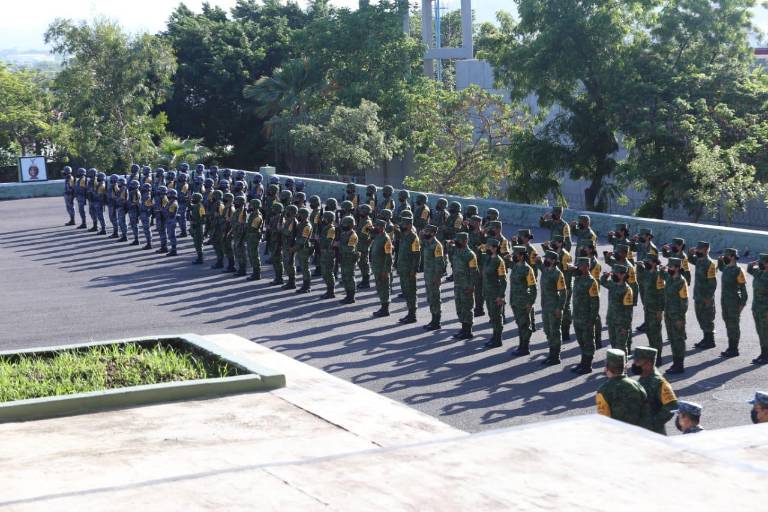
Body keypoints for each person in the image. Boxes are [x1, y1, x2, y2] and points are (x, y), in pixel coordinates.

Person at [595, 348, 648, 427]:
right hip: (637, 431)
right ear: (625, 367)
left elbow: (604, 419)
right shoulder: (637, 385)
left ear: (606, 368)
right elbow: (646, 411)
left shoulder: (603, 390)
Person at [631, 346, 677, 435]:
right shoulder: (644, 377)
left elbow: (672, 406)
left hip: (654, 433)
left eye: (637, 361)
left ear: (648, 363)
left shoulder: (659, 382)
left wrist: (652, 423)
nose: (634, 364)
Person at [569, 257, 600, 373]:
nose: (578, 267)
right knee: (581, 340)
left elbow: (595, 303)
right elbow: (570, 272)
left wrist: (592, 319)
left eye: (580, 266)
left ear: (586, 267)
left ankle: (587, 365)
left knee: (588, 342)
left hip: (587, 317)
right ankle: (583, 362)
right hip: (577, 316)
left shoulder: (591, 282)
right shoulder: (578, 278)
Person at [718, 248, 748, 358]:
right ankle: (730, 347)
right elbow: (721, 268)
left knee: (734, 325)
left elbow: (743, 289)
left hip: (734, 303)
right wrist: (720, 261)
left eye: (726, 256)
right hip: (725, 302)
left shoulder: (738, 270)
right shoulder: (726, 268)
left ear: (732, 257)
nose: (724, 257)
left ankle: (734, 349)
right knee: (728, 324)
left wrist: (742, 304)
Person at [688, 241, 719, 349]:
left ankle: (710, 341)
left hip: (706, 297)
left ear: (706, 250)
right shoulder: (699, 260)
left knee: (707, 318)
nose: (697, 250)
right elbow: (690, 259)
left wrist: (708, 298)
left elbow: (713, 283)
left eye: (699, 249)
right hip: (698, 295)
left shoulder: (710, 264)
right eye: (697, 249)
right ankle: (706, 338)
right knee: (700, 317)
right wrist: (690, 253)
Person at [635, 254, 666, 363]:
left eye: (648, 261)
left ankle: (658, 357)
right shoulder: (647, 273)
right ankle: (653, 353)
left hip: (655, 309)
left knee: (656, 333)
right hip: (648, 307)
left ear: (654, 262)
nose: (646, 263)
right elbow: (640, 280)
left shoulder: (658, 275)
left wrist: (660, 311)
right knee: (649, 331)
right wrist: (639, 267)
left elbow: (662, 294)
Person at [509, 246, 538, 357]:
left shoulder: (527, 269)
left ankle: (525, 347)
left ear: (521, 256)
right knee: (520, 324)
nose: (514, 256)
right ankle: (521, 346)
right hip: (515, 300)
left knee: (525, 325)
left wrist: (530, 302)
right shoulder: (515, 266)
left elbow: (533, 288)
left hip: (523, 302)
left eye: (515, 255)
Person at [539, 250, 567, 365]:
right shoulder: (545, 270)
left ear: (554, 260)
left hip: (554, 306)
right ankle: (551, 354)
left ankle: (555, 356)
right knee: (547, 330)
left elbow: (563, 292)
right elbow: (538, 264)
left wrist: (559, 308)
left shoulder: (557, 274)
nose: (545, 260)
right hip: (545, 306)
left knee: (554, 331)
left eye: (547, 258)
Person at [661, 258, 689, 374]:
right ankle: (675, 362)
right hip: (668, 314)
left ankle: (679, 365)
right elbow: (662, 274)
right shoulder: (669, 278)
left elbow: (684, 301)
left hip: (677, 316)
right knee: (672, 339)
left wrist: (680, 318)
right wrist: (661, 269)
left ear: (677, 268)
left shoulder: (681, 281)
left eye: (671, 267)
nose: (669, 269)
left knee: (678, 340)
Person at [451, 232, 480, 339]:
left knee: (467, 307)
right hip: (458, 284)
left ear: (465, 241)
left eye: (458, 240)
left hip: (466, 285)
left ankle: (468, 331)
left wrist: (472, 286)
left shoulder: (470, 255)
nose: (456, 242)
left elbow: (474, 272)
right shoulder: (457, 251)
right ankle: (464, 328)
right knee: (459, 307)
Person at [600, 264, 634, 353]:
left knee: (621, 348)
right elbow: (602, 282)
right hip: (611, 320)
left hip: (621, 323)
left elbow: (629, 311)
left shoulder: (627, 290)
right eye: (613, 273)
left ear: (623, 275)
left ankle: (623, 362)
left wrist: (625, 327)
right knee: (613, 345)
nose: (613, 274)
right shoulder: (612, 284)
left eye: (615, 273)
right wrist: (605, 275)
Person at [482, 238, 507, 349]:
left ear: (495, 248)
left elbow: (503, 280)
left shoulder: (499, 261)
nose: (487, 248)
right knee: (492, 315)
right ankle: (494, 336)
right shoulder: (488, 258)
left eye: (489, 246)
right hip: (488, 292)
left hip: (495, 293)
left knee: (497, 316)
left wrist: (501, 296)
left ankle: (498, 339)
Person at [396, 211, 420, 324]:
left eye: (404, 224)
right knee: (406, 291)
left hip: (409, 269)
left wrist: (414, 270)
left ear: (410, 225)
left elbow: (416, 256)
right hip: (403, 268)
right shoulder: (404, 235)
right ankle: (410, 313)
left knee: (411, 291)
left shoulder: (414, 238)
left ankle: (412, 314)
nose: (402, 226)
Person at [422, 224, 446, 330]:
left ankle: (436, 322)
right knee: (430, 298)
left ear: (433, 233)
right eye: (425, 231)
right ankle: (433, 319)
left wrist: (438, 277)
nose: (425, 233)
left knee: (435, 298)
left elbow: (440, 263)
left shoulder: (437, 245)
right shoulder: (427, 243)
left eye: (427, 232)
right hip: (428, 275)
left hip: (434, 276)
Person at [747, 254, 768, 364]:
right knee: (760, 332)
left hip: (765, 310)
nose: (760, 263)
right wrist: (753, 263)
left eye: (762, 262)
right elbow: (749, 269)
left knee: (765, 332)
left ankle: (766, 356)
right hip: (756, 308)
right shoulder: (759, 273)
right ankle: (763, 353)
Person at [371, 219, 394, 318]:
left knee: (384, 288)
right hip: (377, 267)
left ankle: (385, 309)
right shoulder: (378, 236)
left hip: (382, 268)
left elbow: (389, 257)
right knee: (380, 288)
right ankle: (383, 307)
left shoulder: (386, 239)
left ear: (382, 227)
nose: (375, 227)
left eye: (377, 226)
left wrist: (386, 271)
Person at [337, 215, 359, 304]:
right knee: (344, 277)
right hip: (344, 258)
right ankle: (348, 294)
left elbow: (350, 248)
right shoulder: (343, 234)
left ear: (350, 225)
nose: (344, 226)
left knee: (349, 277)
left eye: (345, 225)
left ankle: (351, 296)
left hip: (350, 259)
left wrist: (339, 245)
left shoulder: (353, 235)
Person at [318, 211, 337, 299]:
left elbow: (329, 241)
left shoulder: (331, 229)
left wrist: (322, 243)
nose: (323, 220)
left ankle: (331, 291)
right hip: (324, 252)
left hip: (328, 253)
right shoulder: (326, 228)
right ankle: (329, 290)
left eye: (325, 218)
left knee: (328, 272)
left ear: (329, 219)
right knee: (325, 273)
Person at [294, 207, 313, 293]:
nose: (298, 216)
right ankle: (305, 285)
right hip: (301, 248)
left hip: (304, 248)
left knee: (305, 268)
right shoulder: (301, 224)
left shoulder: (307, 226)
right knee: (303, 266)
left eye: (300, 215)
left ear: (304, 216)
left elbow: (303, 240)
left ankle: (307, 286)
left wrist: (294, 247)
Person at [355, 204, 374, 290]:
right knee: (361, 263)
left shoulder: (367, 222)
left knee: (364, 263)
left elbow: (364, 235)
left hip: (363, 245)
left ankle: (366, 282)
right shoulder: (362, 220)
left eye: (361, 211)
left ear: (365, 212)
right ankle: (364, 280)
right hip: (360, 244)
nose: (359, 212)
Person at [280, 204, 298, 290]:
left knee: (290, 263)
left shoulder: (293, 222)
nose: (286, 213)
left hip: (290, 245)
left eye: (287, 211)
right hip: (286, 244)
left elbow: (287, 232)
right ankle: (290, 281)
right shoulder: (289, 220)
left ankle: (292, 282)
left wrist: (281, 229)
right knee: (287, 262)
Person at [245, 199, 263, 280]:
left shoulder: (257, 216)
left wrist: (245, 226)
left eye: (251, 205)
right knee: (251, 255)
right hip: (250, 236)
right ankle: (254, 273)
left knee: (254, 255)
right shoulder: (253, 214)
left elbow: (253, 228)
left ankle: (257, 273)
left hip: (253, 237)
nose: (249, 206)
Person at [267, 202, 285, 285]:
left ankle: (279, 278)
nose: (272, 210)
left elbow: (280, 231)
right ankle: (277, 277)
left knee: (278, 260)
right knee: (275, 260)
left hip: (278, 242)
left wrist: (270, 229)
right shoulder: (274, 218)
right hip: (273, 241)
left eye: (273, 209)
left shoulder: (281, 219)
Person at [208, 190, 225, 269]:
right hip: (215, 227)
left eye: (214, 196)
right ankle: (219, 260)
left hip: (218, 228)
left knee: (218, 244)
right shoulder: (215, 203)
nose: (212, 197)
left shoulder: (219, 204)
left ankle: (220, 261)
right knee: (216, 244)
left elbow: (220, 216)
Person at [231, 195, 248, 275]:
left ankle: (242, 269)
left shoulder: (242, 213)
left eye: (237, 203)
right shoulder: (238, 211)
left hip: (240, 236)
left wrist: (240, 237)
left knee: (241, 253)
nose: (235, 204)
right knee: (237, 252)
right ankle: (241, 268)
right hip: (237, 234)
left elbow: (242, 225)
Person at [188, 192, 205, 264]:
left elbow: (203, 218)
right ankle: (199, 257)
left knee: (198, 243)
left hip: (198, 227)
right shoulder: (195, 205)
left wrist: (197, 223)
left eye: (194, 199)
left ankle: (200, 258)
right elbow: (190, 207)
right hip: (195, 226)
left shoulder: (200, 206)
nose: (193, 200)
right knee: (196, 243)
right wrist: (188, 200)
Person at [164, 188, 180, 256]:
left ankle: (174, 250)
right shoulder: (171, 202)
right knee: (170, 235)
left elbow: (171, 214)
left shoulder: (173, 203)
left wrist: (164, 212)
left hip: (171, 221)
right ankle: (173, 249)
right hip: (170, 221)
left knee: (172, 236)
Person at [153, 184, 168, 253]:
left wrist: (158, 211)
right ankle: (163, 247)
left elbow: (164, 209)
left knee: (163, 232)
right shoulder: (161, 197)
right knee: (161, 232)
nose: (158, 192)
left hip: (162, 218)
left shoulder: (164, 198)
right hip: (159, 217)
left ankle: (164, 247)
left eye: (159, 191)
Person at [139, 183, 153, 250]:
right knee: (146, 229)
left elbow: (148, 207)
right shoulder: (146, 195)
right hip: (144, 213)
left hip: (145, 214)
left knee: (147, 229)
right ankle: (148, 243)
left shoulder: (147, 196)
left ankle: (149, 244)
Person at [127, 180, 141, 246]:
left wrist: (129, 204)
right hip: (134, 210)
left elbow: (135, 203)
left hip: (134, 211)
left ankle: (136, 240)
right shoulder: (135, 192)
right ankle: (136, 239)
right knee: (134, 225)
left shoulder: (134, 192)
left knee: (134, 226)